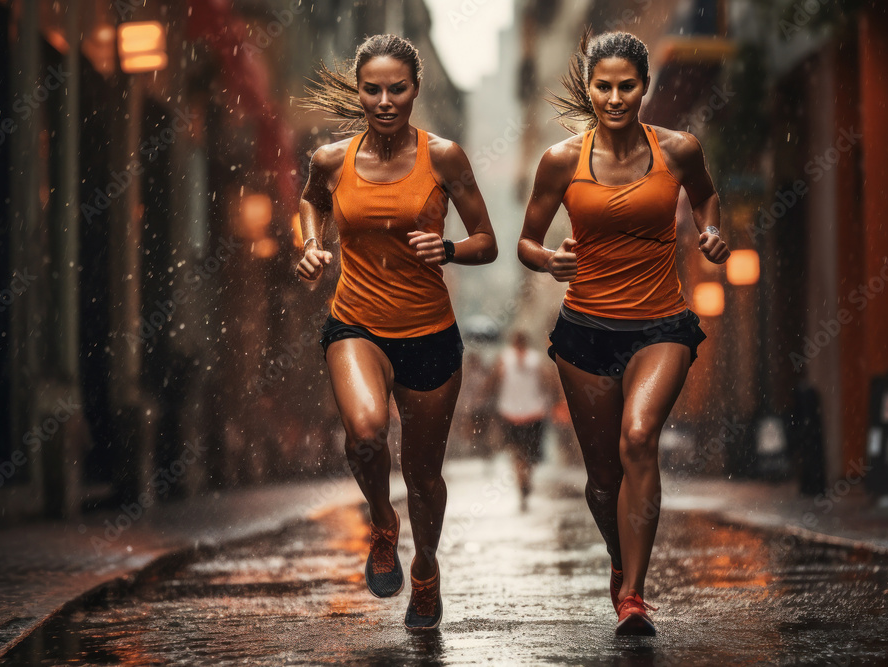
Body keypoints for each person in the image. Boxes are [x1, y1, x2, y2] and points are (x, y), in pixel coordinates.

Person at [517, 31, 730, 635]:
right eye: (603, 86)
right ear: (588, 88)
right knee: (604, 479)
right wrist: (546, 261)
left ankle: (633, 595)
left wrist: (714, 236)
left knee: (638, 439)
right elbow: (527, 240)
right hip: (584, 331)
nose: (614, 98)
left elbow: (709, 202)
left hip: (661, 324)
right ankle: (620, 557)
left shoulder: (679, 149)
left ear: (644, 87)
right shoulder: (561, 160)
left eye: (626, 86)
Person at [297, 34, 498, 631]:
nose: (385, 100)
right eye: (372, 89)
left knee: (424, 475)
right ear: (358, 92)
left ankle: (427, 570)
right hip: (356, 321)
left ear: (415, 90)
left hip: (430, 334)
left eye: (397, 88)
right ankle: (383, 524)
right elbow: (310, 204)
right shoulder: (331, 161)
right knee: (364, 435)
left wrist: (451, 248)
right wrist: (310, 244)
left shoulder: (445, 157)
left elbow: (486, 242)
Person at [492, 331, 552, 510]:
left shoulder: (507, 359)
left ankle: (523, 480)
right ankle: (524, 481)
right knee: (526, 453)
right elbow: (546, 381)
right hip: (529, 412)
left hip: (516, 412)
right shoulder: (533, 359)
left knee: (520, 453)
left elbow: (495, 381)